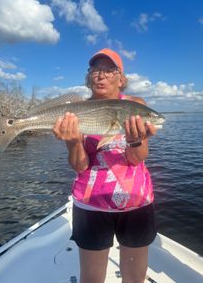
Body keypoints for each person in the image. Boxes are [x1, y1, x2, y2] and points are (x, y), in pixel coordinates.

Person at [53, 48, 157, 283]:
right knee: (91, 278)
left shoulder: (135, 106)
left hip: (135, 200)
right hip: (92, 204)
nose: (100, 75)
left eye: (109, 70)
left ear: (121, 79)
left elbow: (137, 158)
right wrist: (72, 142)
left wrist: (135, 140)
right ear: (89, 78)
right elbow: (80, 167)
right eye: (95, 70)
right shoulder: (75, 112)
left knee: (134, 278)